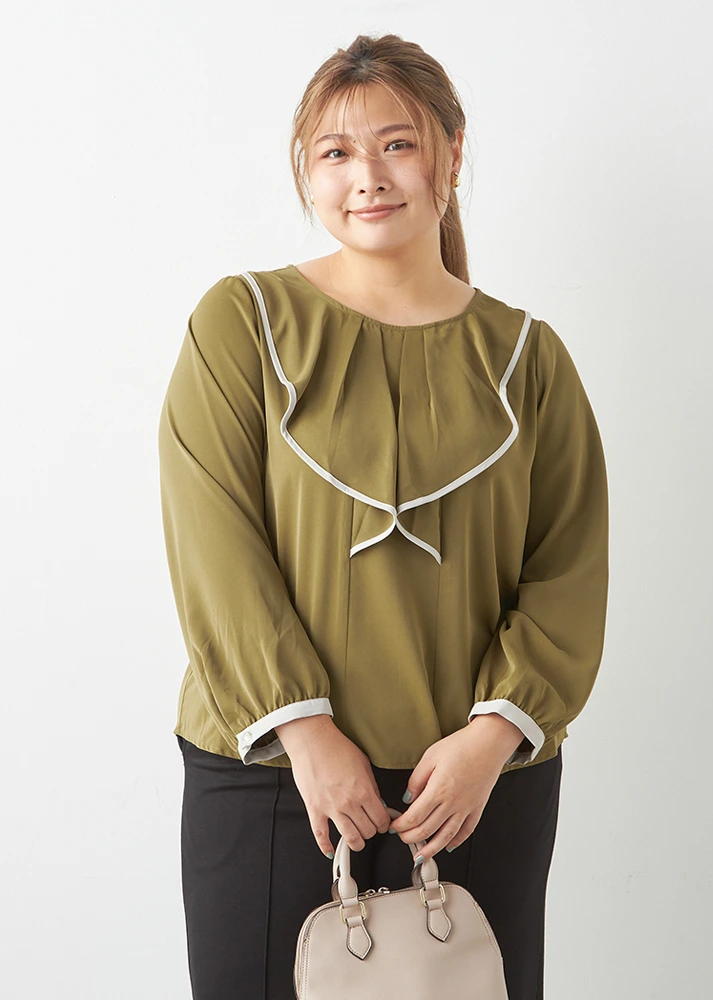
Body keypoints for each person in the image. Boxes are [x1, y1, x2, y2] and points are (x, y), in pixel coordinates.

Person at [158, 32, 609, 1000]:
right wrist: (307, 733)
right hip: (273, 772)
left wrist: (492, 739)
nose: (367, 175)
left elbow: (569, 567)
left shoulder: (528, 358)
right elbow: (214, 544)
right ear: (306, 172)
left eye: (397, 144)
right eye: (335, 152)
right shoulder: (242, 323)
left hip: (473, 788)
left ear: (451, 151)